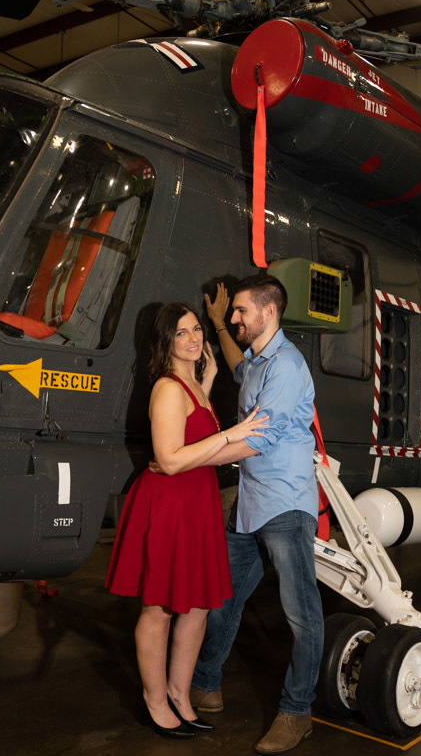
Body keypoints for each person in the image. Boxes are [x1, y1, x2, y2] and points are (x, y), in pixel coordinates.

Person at [104, 302, 268, 739]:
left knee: (195, 607)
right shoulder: (166, 388)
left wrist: (210, 387)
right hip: (169, 504)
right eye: (182, 333)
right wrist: (230, 433)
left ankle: (179, 694)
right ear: (165, 341)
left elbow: (204, 451)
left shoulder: (193, 386)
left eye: (197, 329)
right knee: (159, 608)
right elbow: (171, 462)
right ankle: (154, 701)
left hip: (197, 504)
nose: (195, 338)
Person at [189, 275, 323, 754]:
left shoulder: (287, 366)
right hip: (250, 503)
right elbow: (238, 370)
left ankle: (297, 711)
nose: (235, 318)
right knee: (223, 598)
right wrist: (218, 330)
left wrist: (188, 458)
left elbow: (258, 439)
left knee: (301, 615)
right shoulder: (260, 362)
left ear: (269, 312)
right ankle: (205, 683)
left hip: (285, 504)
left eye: (241, 311)